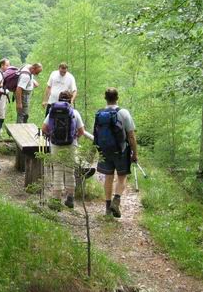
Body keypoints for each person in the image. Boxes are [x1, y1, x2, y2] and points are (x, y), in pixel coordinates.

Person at [93, 88, 138, 218]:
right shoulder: (124, 113)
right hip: (121, 150)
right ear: (117, 98)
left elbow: (96, 134)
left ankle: (108, 208)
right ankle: (116, 201)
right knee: (122, 176)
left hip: (104, 150)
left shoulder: (99, 113)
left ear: (105, 98)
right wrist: (135, 153)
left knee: (108, 177)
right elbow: (131, 136)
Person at [42, 91, 85, 208]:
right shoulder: (75, 112)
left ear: (59, 99)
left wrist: (52, 135)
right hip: (71, 144)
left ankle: (56, 200)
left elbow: (44, 128)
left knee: (58, 170)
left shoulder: (52, 111)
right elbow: (81, 131)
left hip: (55, 144)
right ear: (71, 100)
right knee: (69, 170)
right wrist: (74, 137)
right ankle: (70, 198)